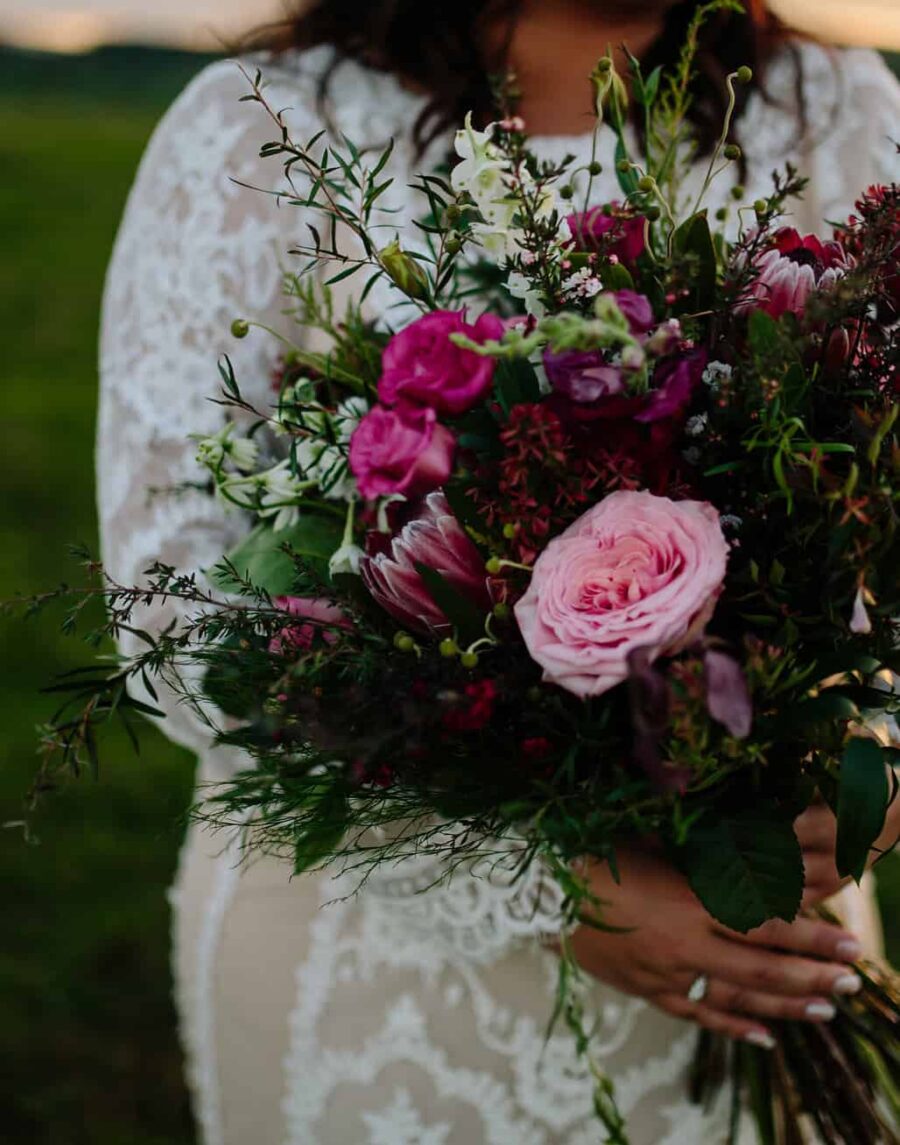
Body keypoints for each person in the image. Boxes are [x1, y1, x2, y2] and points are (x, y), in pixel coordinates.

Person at [98, 2, 900, 1142]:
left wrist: (882, 765)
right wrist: (552, 891)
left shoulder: (839, 112)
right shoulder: (252, 131)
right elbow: (170, 605)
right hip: (375, 970)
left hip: (765, 923)